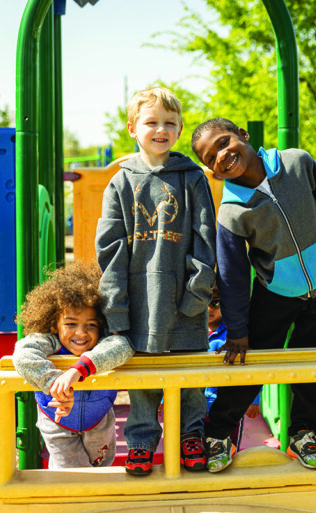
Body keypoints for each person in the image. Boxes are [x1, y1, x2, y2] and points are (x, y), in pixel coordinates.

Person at [191, 118, 316, 473]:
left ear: (243, 137)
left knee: (313, 363)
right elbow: (232, 278)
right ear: (213, 172)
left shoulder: (297, 162)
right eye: (211, 157)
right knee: (251, 366)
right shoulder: (232, 213)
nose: (222, 155)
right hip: (275, 296)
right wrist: (238, 330)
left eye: (224, 142)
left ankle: (303, 432)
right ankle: (217, 433)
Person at [95, 87, 216, 476]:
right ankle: (143, 443)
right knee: (142, 377)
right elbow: (110, 249)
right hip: (140, 300)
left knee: (191, 373)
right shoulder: (120, 183)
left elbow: (205, 238)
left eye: (169, 123)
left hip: (184, 300)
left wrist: (197, 296)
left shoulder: (192, 179)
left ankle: (190, 436)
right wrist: (115, 308)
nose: (160, 129)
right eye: (152, 122)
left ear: (180, 129)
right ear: (133, 128)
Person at [12, 261, 133, 469]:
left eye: (91, 325)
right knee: (71, 473)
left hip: (99, 419)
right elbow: (23, 354)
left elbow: (124, 345)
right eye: (70, 324)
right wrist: (55, 384)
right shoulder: (50, 341)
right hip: (56, 418)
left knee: (100, 471)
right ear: (54, 324)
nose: (80, 333)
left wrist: (78, 369)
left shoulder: (104, 343)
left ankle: (96, 501)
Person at [205, 287, 260, 450]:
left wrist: (254, 400)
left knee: (229, 445)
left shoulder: (235, 335)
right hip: (198, 405)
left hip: (229, 405)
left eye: (215, 303)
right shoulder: (190, 334)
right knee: (200, 445)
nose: (209, 309)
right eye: (205, 303)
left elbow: (250, 366)